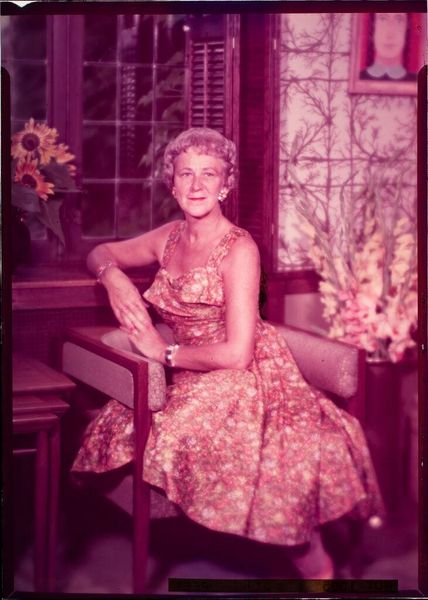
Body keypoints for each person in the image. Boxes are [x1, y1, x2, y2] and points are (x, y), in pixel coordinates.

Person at [72, 127, 384, 579]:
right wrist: (112, 277)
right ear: (172, 184)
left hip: (244, 371)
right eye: (186, 174)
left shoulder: (239, 248)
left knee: (219, 447)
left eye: (209, 174)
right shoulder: (168, 237)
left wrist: (164, 352)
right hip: (189, 370)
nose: (197, 185)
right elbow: (100, 252)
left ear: (226, 184)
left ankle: (316, 567)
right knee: (128, 427)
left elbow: (238, 354)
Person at [360, 13, 417, 82]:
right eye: (383, 19)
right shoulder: (355, 78)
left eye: (399, 20)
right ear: (372, 27)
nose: (390, 33)